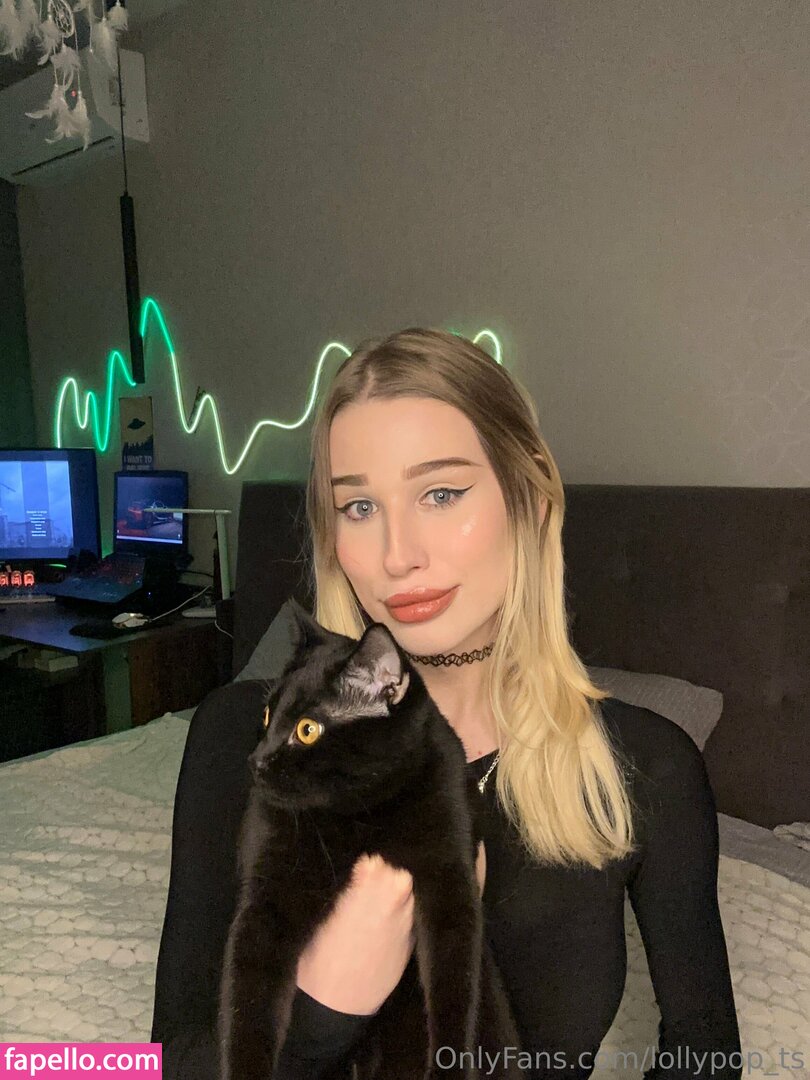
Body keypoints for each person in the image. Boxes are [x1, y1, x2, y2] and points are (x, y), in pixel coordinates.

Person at [151, 328, 742, 1080]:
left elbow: (706, 1053)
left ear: (530, 501)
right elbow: (168, 1061)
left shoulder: (646, 766)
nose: (398, 554)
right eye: (358, 506)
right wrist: (320, 1013)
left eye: (440, 494)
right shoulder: (243, 733)